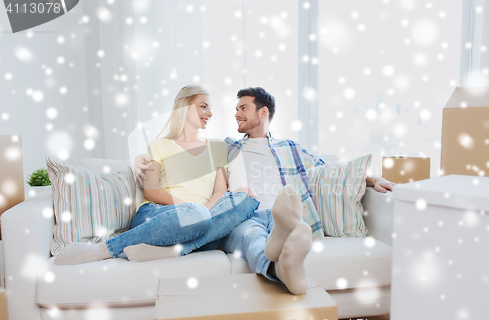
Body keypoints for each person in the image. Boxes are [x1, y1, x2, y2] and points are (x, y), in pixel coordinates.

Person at [134, 87, 396, 295]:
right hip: (246, 216)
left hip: (284, 211)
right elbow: (185, 153)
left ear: (263, 113)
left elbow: (327, 170)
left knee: (290, 221)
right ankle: (277, 266)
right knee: (250, 236)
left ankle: (285, 241)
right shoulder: (227, 147)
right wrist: (139, 160)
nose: (236, 113)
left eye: (243, 108)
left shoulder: (290, 147)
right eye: (236, 108)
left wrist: (370, 179)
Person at [54, 85, 259, 265]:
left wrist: (203, 213)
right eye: (203, 106)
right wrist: (193, 211)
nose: (210, 113)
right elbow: (151, 190)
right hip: (159, 214)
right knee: (200, 219)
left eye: (210, 107)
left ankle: (174, 249)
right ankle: (103, 250)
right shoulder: (160, 145)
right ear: (185, 108)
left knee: (248, 200)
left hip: (202, 218)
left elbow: (220, 190)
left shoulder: (218, 147)